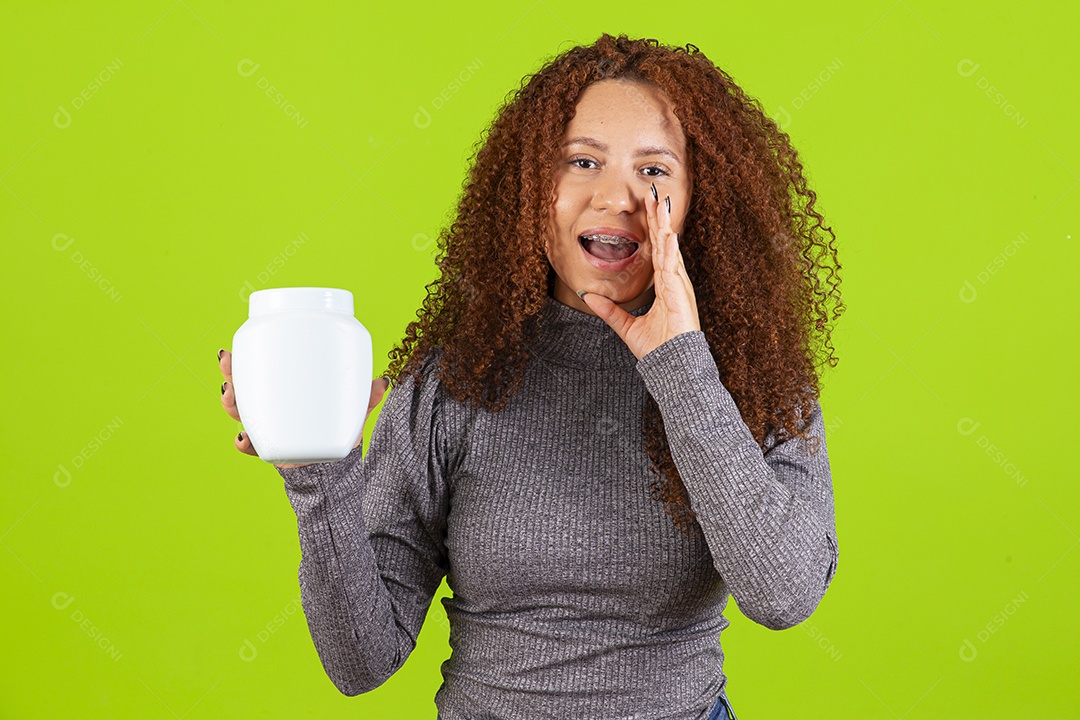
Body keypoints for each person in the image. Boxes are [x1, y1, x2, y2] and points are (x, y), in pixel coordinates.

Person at [218, 33, 844, 720]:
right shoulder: (454, 380)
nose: (618, 196)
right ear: (531, 190)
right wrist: (320, 470)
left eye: (656, 170)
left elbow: (784, 596)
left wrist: (680, 366)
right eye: (582, 161)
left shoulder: (755, 376)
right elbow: (360, 663)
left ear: (701, 201)